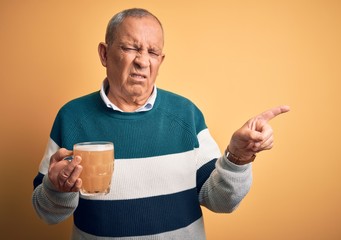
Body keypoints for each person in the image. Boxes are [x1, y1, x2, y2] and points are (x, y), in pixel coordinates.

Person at [32, 8, 290, 240]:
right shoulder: (72, 117)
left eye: (153, 52)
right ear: (104, 53)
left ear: (160, 61)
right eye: (130, 48)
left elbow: (221, 201)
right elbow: (47, 213)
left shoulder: (186, 114)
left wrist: (239, 157)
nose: (143, 61)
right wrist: (56, 189)